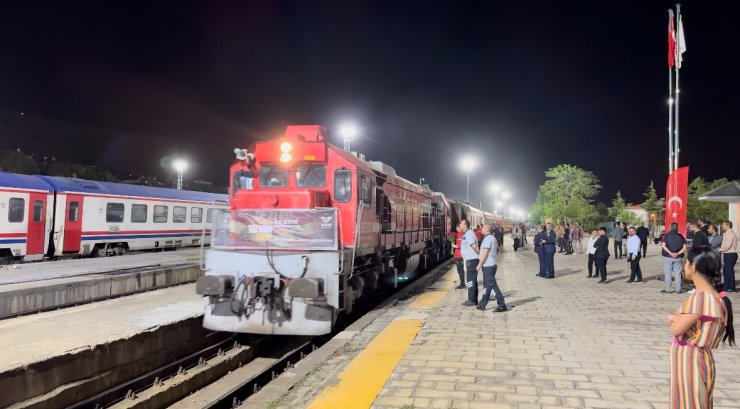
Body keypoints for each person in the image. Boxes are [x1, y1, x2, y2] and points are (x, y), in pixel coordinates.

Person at [667, 246, 735, 409]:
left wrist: (676, 318)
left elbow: (676, 328)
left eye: (686, 263)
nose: (684, 266)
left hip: (691, 359)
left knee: (691, 402)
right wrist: (678, 318)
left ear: (694, 266)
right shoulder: (712, 296)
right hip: (695, 358)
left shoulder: (702, 297)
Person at [476, 224, 507, 312]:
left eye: (482, 228)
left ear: (486, 229)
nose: (481, 229)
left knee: (493, 286)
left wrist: (479, 264)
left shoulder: (488, 239)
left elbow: (485, 253)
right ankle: (482, 304)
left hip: (488, 266)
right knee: (487, 286)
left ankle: (502, 305)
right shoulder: (492, 238)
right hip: (490, 265)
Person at [662, 222, 688, 294]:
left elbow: (663, 245)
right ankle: (678, 289)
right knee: (678, 273)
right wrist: (678, 253)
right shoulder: (681, 236)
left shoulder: (666, 235)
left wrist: (670, 253)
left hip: (668, 256)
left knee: (668, 273)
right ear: (677, 227)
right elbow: (685, 247)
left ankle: (667, 289)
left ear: (670, 227)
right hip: (678, 257)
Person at [459, 219, 480, 306]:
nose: (460, 225)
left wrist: (481, 256)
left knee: (470, 280)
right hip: (470, 260)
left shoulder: (469, 234)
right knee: (472, 280)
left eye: (461, 224)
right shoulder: (467, 234)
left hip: (472, 260)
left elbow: (474, 246)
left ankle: (471, 300)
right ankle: (473, 299)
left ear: (465, 226)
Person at [719, 221, 737, 293]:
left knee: (729, 271)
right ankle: (726, 287)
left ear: (727, 225)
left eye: (723, 225)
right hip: (728, 254)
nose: (722, 226)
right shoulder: (727, 234)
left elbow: (727, 246)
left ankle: (731, 288)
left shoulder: (730, 234)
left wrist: (719, 250)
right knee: (726, 271)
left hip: (730, 254)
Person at [451, 226, 466, 290]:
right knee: (460, 270)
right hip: (459, 255)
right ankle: (462, 283)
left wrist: (455, 246)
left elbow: (463, 244)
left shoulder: (461, 235)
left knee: (460, 270)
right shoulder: (461, 235)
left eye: (457, 228)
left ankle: (462, 284)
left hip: (459, 255)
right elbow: (452, 235)